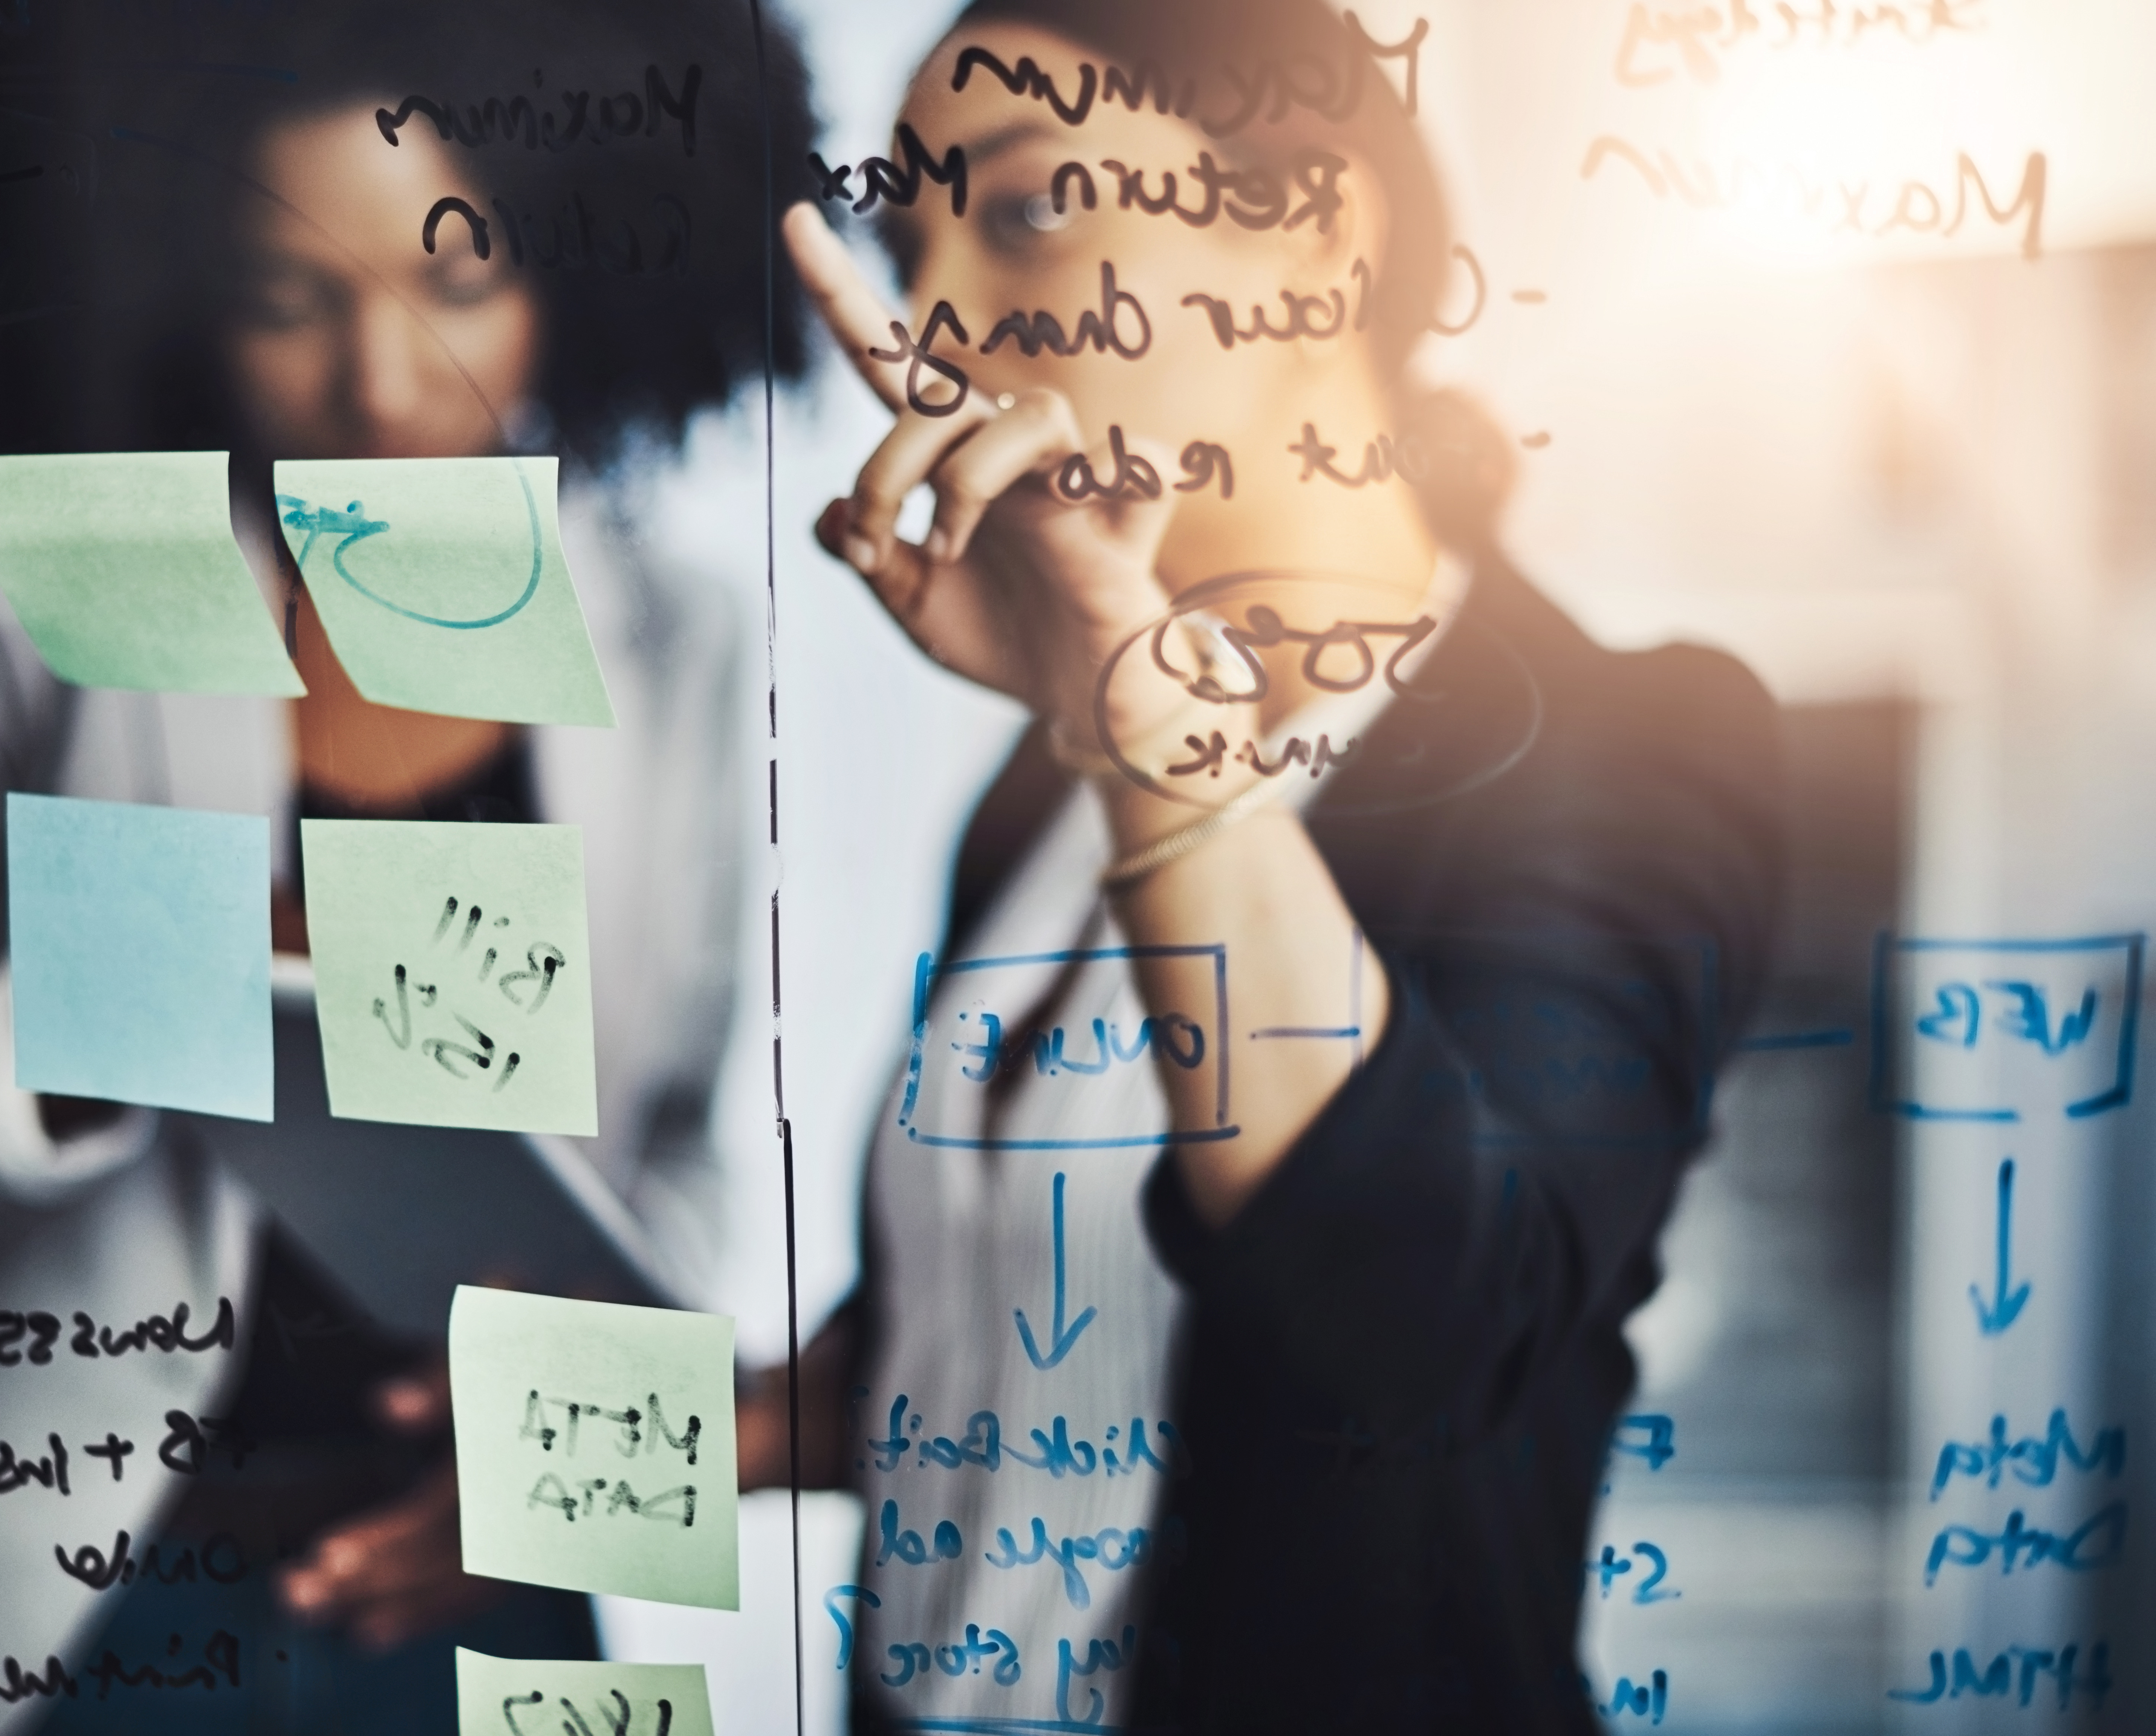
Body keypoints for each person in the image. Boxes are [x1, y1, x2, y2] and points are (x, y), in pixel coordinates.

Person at [0, 3, 812, 1730]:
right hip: (53, 1628)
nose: (382, 383)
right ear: (170, 283)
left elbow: (674, 1176)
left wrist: (564, 1473)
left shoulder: (676, 638)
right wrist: (84, 1021)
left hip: (476, 1588)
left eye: (458, 278)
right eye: (290, 299)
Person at [746, 0, 1785, 1728]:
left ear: (1310, 233)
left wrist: (1140, 737)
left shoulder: (1625, 745)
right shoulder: (1034, 786)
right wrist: (614, 1456)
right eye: (905, 250)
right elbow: (997, 1320)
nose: (932, 329)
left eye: (1018, 215)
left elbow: (1433, 1330)